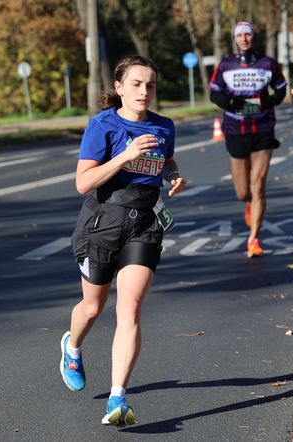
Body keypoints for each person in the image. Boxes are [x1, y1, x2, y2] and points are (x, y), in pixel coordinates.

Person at [61, 55, 186, 426]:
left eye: (150, 85)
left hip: (145, 222)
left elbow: (165, 158)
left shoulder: (164, 126)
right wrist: (125, 155)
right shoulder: (102, 125)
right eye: (135, 84)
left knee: (129, 309)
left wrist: (174, 171)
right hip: (104, 222)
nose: (144, 91)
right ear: (119, 88)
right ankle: (72, 347)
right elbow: (84, 183)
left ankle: (118, 398)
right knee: (92, 308)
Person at [209, 21, 287, 257]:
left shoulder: (268, 63)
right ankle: (249, 204)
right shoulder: (226, 64)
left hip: (262, 128)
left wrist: (271, 101)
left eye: (248, 35)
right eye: (240, 35)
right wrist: (230, 102)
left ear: (254, 37)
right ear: (235, 39)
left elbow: (281, 88)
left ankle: (254, 238)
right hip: (235, 129)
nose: (244, 39)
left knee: (258, 187)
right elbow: (214, 92)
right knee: (243, 192)